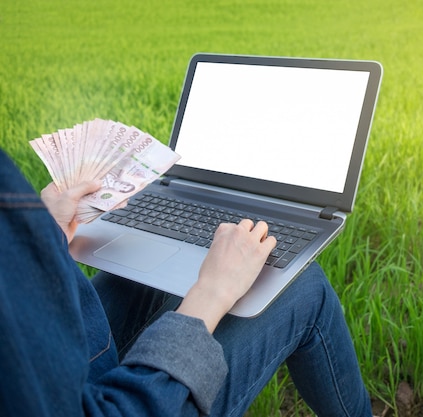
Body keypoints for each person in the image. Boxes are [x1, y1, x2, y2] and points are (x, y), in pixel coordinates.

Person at [0, 148, 372, 416]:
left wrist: (39, 238)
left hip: (64, 356)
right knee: (302, 286)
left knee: (144, 273)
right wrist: (211, 294)